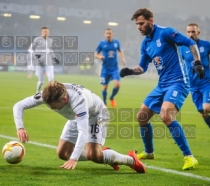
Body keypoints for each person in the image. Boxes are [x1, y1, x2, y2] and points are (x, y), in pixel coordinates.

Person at [120, 8, 203, 170]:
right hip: (162, 84)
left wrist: (198, 62)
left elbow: (190, 42)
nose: (139, 27)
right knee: (142, 116)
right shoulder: (145, 44)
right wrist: (130, 71)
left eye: (142, 23)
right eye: (137, 24)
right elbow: (143, 67)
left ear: (151, 21)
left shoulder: (166, 33)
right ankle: (149, 152)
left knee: (166, 115)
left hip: (178, 81)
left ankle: (189, 157)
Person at [13, 81, 145, 173]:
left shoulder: (78, 101)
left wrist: (74, 158)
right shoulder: (49, 94)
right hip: (76, 117)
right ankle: (103, 154)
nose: (51, 107)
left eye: (53, 105)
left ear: (64, 99)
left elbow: (83, 132)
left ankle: (130, 160)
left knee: (93, 155)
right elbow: (18, 106)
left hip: (96, 116)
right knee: (62, 153)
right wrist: (20, 127)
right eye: (48, 105)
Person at [95, 28, 126, 107]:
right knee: (105, 87)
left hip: (114, 69)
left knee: (117, 85)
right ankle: (104, 103)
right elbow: (95, 54)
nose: (108, 35)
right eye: (107, 33)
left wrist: (123, 58)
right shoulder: (101, 43)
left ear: (112, 34)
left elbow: (120, 50)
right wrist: (99, 57)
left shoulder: (116, 42)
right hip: (105, 69)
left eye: (110, 33)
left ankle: (111, 97)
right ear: (105, 35)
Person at [28, 27, 59, 92]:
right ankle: (37, 92)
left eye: (47, 32)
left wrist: (55, 58)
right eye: (44, 31)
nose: (46, 33)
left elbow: (50, 50)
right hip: (39, 63)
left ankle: (52, 93)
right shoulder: (37, 39)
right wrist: (36, 55)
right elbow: (30, 49)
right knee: (41, 81)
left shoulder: (50, 40)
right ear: (41, 32)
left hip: (48, 62)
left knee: (51, 79)